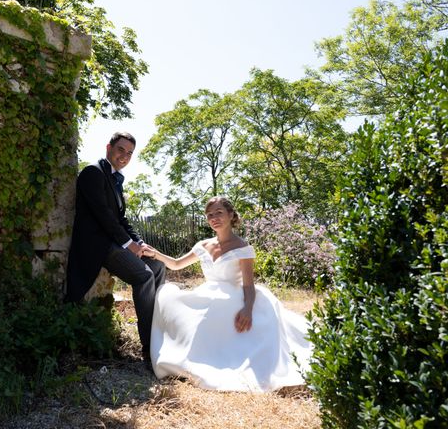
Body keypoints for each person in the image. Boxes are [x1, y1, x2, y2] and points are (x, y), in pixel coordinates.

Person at [142, 196, 312, 392]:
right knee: (167, 295)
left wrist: (248, 309)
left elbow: (249, 285)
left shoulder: (243, 248)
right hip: (209, 293)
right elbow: (176, 264)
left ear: (231, 215)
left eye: (219, 213)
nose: (214, 218)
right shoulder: (203, 245)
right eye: (209, 215)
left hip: (235, 296)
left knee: (226, 313)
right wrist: (155, 253)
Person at [65, 132, 165, 361]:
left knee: (158, 267)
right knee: (144, 275)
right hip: (98, 245)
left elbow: (122, 219)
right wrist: (129, 244)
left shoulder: (116, 180)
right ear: (108, 147)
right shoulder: (93, 173)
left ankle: (160, 334)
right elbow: (104, 217)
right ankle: (149, 348)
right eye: (121, 150)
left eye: (130, 153)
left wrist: (139, 242)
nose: (125, 156)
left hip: (114, 242)